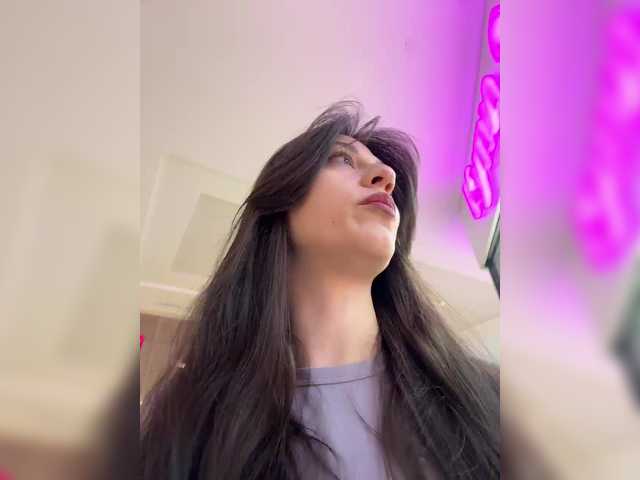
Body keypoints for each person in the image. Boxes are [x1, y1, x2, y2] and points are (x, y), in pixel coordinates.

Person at [140, 100, 500, 479]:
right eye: (342, 159)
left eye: (384, 170)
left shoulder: (486, 396)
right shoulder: (187, 419)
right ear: (281, 203)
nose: (386, 176)